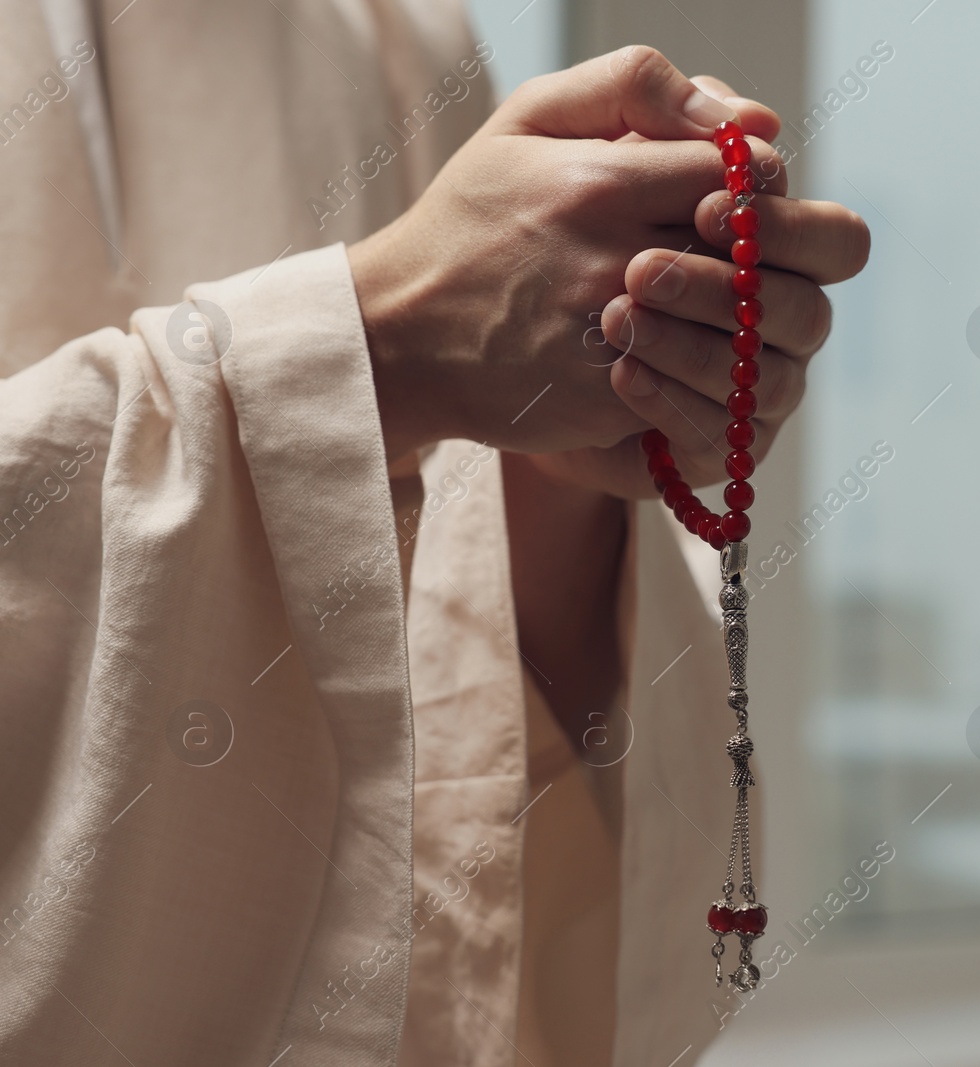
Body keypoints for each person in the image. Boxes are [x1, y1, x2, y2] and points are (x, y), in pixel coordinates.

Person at [0, 2, 870, 1065]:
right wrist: (372, 347)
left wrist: (545, 476)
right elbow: (403, 338)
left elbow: (478, 834)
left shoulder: (394, 35)